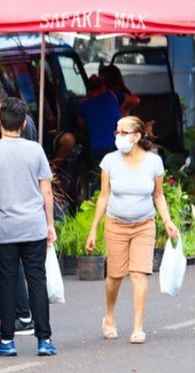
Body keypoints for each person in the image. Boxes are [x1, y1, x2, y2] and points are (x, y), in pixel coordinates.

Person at [86, 116, 179, 344]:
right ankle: (109, 317)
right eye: (117, 132)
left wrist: (167, 221)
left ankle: (138, 327)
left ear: (137, 136)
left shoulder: (154, 162)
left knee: (139, 274)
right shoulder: (109, 161)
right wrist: (93, 229)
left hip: (144, 225)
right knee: (115, 276)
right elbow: (104, 196)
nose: (119, 136)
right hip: (116, 224)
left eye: (124, 132)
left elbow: (158, 195)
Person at [0, 97, 58, 357]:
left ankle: (7, 341)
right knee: (37, 280)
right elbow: (46, 190)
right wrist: (50, 224)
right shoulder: (35, 150)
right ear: (24, 124)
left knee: (8, 282)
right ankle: (44, 341)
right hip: (34, 226)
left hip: (3, 229)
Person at [0, 85, 37, 336]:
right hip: (20, 203)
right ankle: (14, 312)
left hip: (16, 204)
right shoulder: (22, 124)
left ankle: (22, 314)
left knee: (14, 265)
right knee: (14, 266)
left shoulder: (22, 127)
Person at [78, 75, 122, 167]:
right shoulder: (111, 97)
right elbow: (135, 99)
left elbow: (80, 124)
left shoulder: (84, 106)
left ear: (88, 90)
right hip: (116, 145)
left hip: (97, 149)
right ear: (103, 87)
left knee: (99, 175)